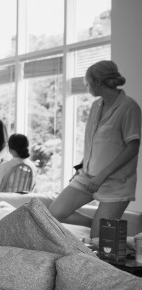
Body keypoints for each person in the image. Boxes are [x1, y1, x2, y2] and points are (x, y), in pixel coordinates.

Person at [49, 60, 141, 238]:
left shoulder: (129, 107)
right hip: (88, 176)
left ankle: (103, 230)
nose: (86, 86)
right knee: (53, 213)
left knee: (99, 240)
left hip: (116, 183)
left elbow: (133, 147)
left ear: (98, 82)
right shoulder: (96, 106)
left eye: (87, 82)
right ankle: (97, 225)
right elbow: (93, 144)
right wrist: (81, 168)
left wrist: (102, 176)